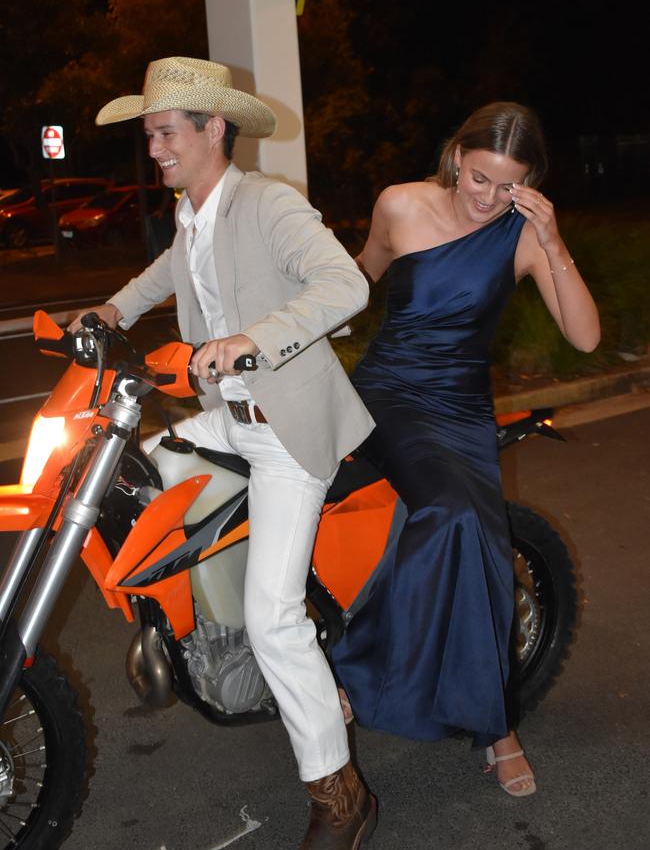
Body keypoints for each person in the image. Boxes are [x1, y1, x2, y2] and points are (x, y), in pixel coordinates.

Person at [70, 56, 378, 849]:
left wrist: (252, 340)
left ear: (213, 129)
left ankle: (340, 793)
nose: (155, 148)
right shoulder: (192, 215)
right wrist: (110, 307)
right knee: (133, 467)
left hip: (285, 427)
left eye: (166, 132)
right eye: (150, 135)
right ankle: (201, 634)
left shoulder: (268, 203)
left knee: (274, 619)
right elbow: (170, 272)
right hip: (225, 417)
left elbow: (344, 284)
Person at [332, 101, 600, 797]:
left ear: (530, 183)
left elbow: (586, 339)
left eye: (508, 185)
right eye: (479, 178)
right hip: (389, 392)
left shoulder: (521, 236)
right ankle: (477, 718)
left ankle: (489, 719)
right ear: (456, 158)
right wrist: (291, 331)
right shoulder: (400, 204)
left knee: (477, 532)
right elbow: (358, 278)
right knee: (455, 514)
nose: (488, 198)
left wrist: (555, 241)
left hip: (458, 405)